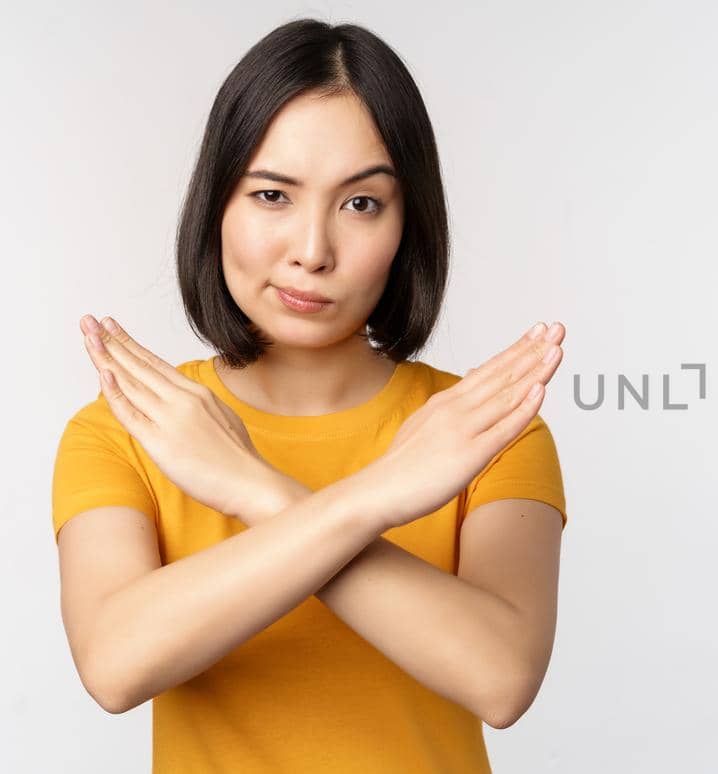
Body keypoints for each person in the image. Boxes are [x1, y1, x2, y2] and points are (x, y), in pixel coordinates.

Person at [49, 18, 568, 773]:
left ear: (407, 223)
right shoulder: (128, 429)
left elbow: (501, 678)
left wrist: (249, 487)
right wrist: (374, 499)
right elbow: (115, 665)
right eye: (271, 195)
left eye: (361, 204)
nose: (313, 250)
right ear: (216, 204)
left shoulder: (485, 429)